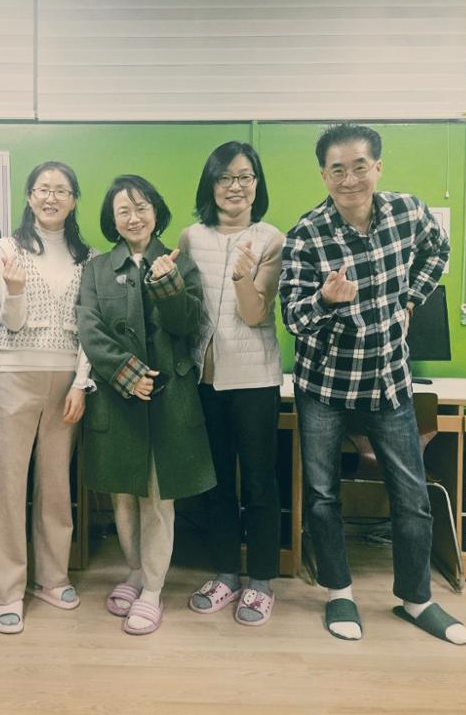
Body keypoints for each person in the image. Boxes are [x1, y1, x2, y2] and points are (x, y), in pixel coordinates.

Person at [279, 123, 466, 645]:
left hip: (388, 382)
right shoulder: (306, 234)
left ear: (377, 168)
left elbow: (439, 250)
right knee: (322, 497)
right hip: (324, 387)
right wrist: (325, 300)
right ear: (324, 175)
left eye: (359, 166)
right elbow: (293, 318)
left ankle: (416, 599)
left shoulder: (408, 213)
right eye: (337, 170)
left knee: (411, 496)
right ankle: (339, 593)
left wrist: (410, 298)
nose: (349, 179)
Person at [76, 175, 215, 636]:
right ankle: (134, 572)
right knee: (122, 493)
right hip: (119, 400)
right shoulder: (96, 269)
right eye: (123, 210)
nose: (134, 217)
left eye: (142, 207)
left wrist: (167, 283)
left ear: (156, 212)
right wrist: (126, 374)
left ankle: (153, 589)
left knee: (157, 498)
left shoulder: (180, 263)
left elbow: (188, 324)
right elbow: (90, 328)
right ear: (112, 220)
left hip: (169, 401)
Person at [0, 161, 95, 634]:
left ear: (73, 201)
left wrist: (81, 383)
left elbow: (91, 328)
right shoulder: (5, 249)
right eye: (43, 189)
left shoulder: (88, 258)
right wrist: (14, 292)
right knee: (8, 485)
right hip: (16, 374)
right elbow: (11, 322)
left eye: (62, 190)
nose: (52, 198)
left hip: (66, 379)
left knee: (55, 484)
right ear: (29, 197)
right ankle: (7, 591)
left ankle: (52, 577)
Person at [178, 141, 284, 626]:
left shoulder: (271, 239)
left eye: (245, 177)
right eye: (225, 177)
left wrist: (243, 277)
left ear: (257, 184)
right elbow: (182, 308)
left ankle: (260, 581)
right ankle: (225, 574)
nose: (235, 186)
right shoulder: (191, 237)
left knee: (259, 481)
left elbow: (256, 314)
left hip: (255, 378)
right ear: (211, 184)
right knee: (216, 480)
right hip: (205, 378)